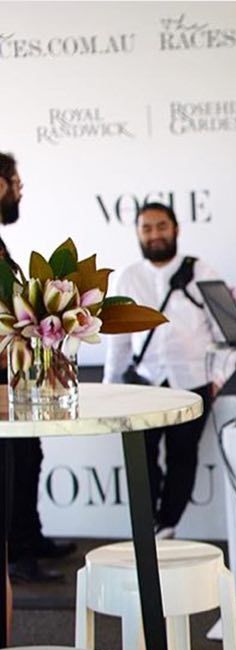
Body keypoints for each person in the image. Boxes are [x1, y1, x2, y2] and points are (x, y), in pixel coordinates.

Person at [104, 202, 222, 538]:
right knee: (141, 458)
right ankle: (148, 525)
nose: (154, 234)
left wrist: (218, 378)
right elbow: (118, 341)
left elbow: (224, 331)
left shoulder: (201, 271)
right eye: (147, 228)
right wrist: (110, 387)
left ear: (175, 229)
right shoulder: (127, 278)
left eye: (161, 226)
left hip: (193, 381)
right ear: (138, 234)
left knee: (183, 456)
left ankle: (166, 526)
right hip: (144, 384)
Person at [0, 150, 75, 582]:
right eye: (16, 182)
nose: (20, 190)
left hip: (15, 369)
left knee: (28, 454)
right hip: (3, 372)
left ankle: (29, 537)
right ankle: (16, 554)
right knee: (11, 462)